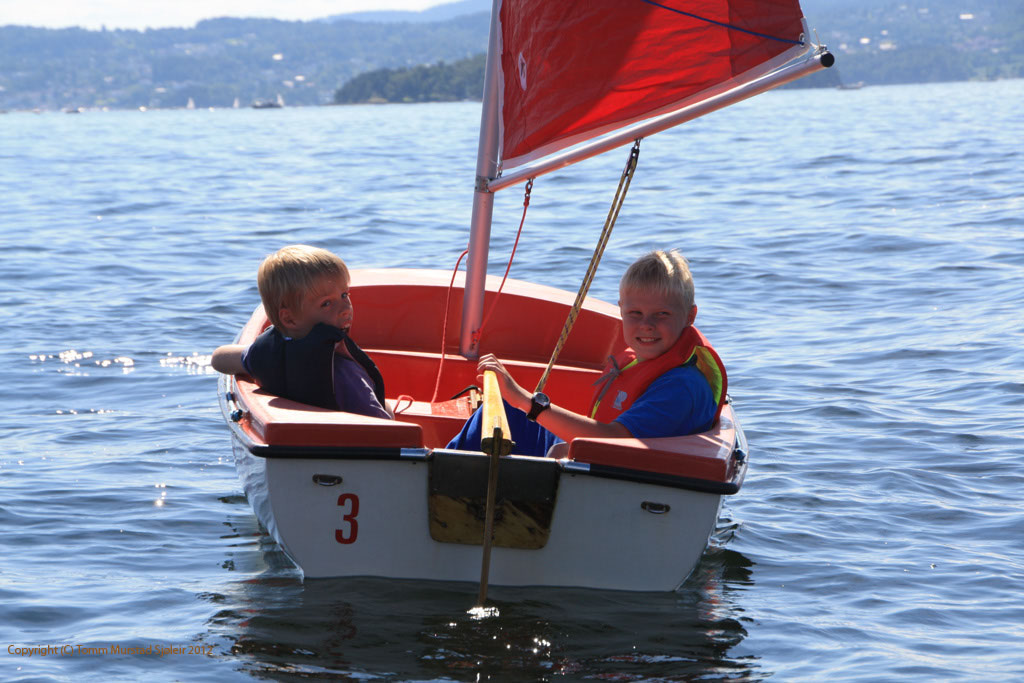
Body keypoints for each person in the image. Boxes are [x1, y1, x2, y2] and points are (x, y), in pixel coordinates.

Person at [446, 249, 727, 456]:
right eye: (635, 313)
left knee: (516, 408)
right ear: (621, 310)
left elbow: (614, 441)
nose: (647, 325)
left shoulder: (681, 387)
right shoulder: (643, 360)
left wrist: (527, 401)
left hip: (618, 477)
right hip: (601, 460)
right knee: (503, 413)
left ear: (690, 316)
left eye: (662, 314)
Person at [211, 245, 391, 419]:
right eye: (326, 303)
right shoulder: (345, 373)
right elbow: (382, 428)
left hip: (289, 433)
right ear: (289, 319)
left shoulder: (268, 353)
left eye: (344, 295)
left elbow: (219, 359)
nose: (345, 309)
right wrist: (386, 408)